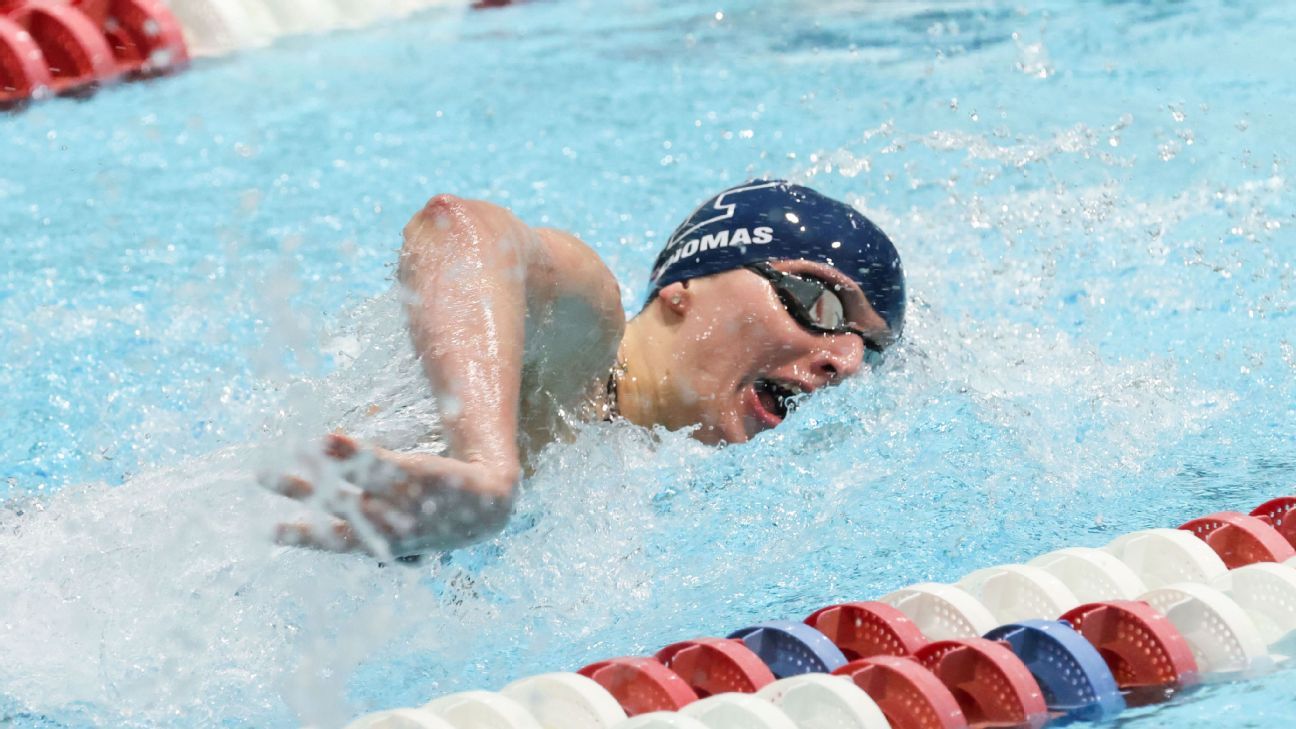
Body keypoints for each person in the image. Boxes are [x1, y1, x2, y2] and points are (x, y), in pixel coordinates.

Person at [261, 180, 905, 558]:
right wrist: (485, 463)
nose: (845, 361)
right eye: (818, 301)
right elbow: (458, 230)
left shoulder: (635, 481)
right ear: (685, 287)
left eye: (867, 348)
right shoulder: (582, 334)